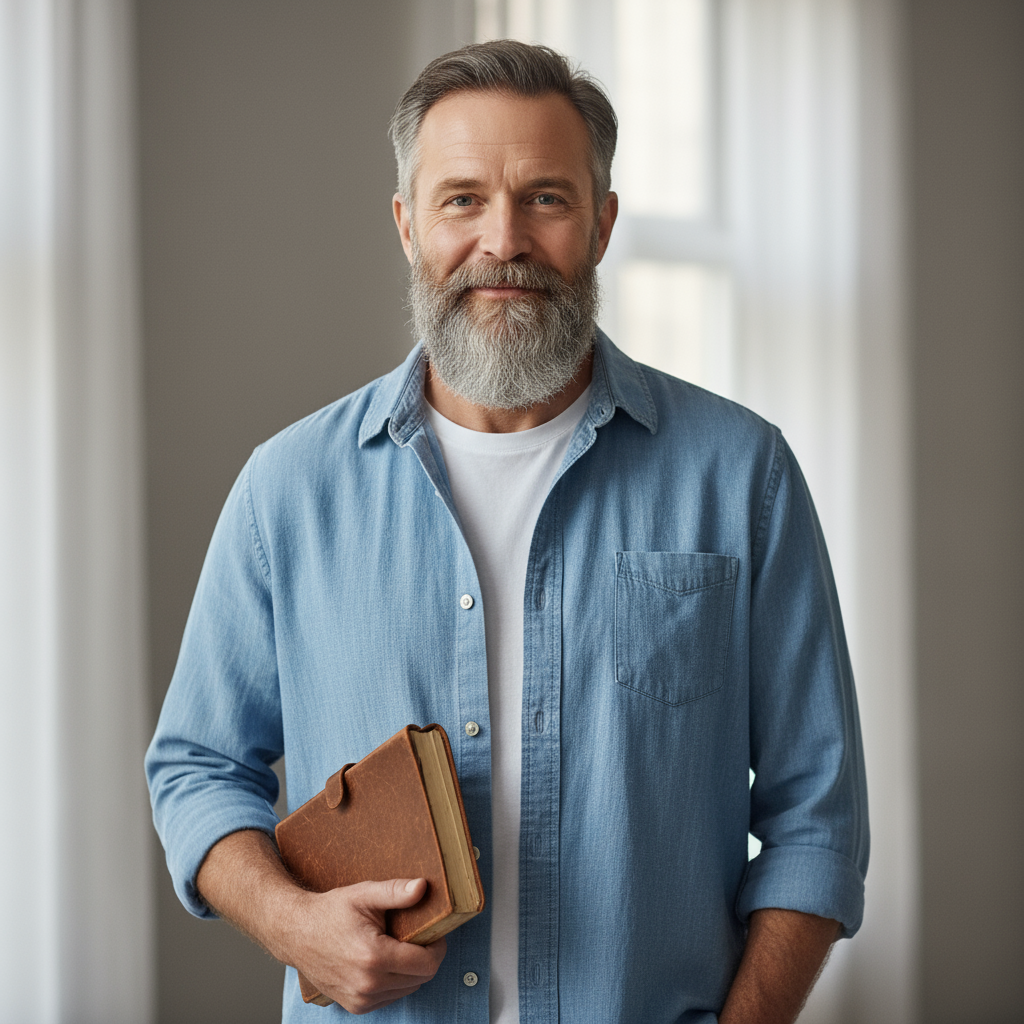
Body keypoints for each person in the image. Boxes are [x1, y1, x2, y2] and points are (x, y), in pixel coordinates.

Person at [146, 39, 868, 1024]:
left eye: (545, 198)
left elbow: (816, 818)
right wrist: (288, 922)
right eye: (461, 200)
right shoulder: (288, 488)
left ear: (602, 224)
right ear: (406, 225)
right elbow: (195, 766)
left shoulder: (742, 477)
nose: (503, 240)